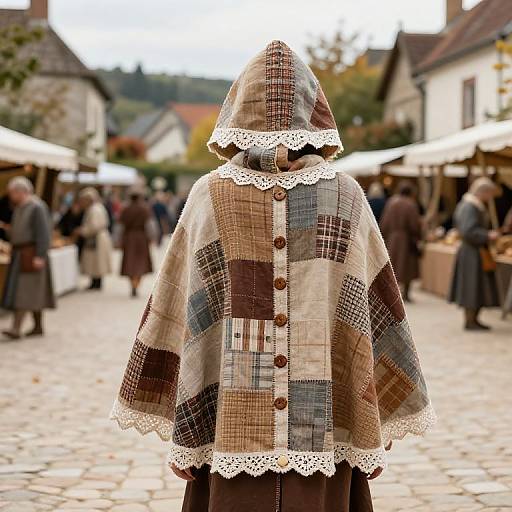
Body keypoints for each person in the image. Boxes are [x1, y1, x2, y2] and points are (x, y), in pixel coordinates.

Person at [110, 41, 434, 512]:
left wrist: (188, 428)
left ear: (237, 110)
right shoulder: (344, 195)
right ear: (314, 111)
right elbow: (182, 303)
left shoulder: (210, 193)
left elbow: (173, 306)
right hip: (289, 433)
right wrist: (372, 422)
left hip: (261, 433)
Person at [1, 177, 55, 339]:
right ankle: (38, 326)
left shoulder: (37, 207)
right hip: (21, 253)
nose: (10, 196)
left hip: (31, 254)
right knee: (33, 291)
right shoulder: (20, 208)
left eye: (12, 193)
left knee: (24, 291)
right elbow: (19, 232)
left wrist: (39, 255)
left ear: (20, 191)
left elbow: (44, 233)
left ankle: (16, 328)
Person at [449, 177, 500, 330]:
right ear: (483, 192)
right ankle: (470, 321)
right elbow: (468, 231)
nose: (490, 198)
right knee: (471, 286)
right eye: (489, 194)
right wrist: (487, 235)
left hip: (474, 250)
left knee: (476, 286)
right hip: (471, 252)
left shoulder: (470, 205)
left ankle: (474, 319)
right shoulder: (470, 207)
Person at [380, 180, 422, 302]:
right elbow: (414, 224)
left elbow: (384, 222)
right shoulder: (410, 204)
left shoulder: (391, 202)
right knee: (407, 267)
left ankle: (393, 294)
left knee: (394, 266)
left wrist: (385, 236)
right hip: (406, 238)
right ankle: (406, 294)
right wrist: (418, 235)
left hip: (393, 238)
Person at [76, 187, 112, 290]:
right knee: (95, 261)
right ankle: (95, 282)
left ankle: (96, 282)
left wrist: (82, 231)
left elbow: (94, 226)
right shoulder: (96, 208)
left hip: (97, 238)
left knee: (96, 261)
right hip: (98, 237)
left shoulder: (95, 209)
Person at [119, 190, 153, 297]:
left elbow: (120, 226)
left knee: (130, 262)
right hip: (141, 237)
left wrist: (119, 240)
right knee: (141, 262)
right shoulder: (144, 209)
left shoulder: (126, 210)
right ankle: (136, 284)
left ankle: (133, 285)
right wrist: (152, 237)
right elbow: (150, 225)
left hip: (129, 237)